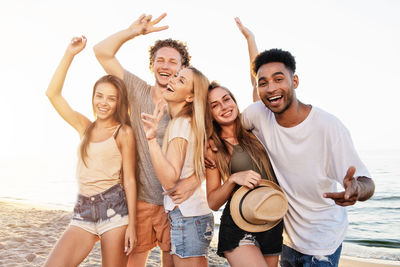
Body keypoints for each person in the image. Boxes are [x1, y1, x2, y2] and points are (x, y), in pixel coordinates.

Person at [240, 45, 376, 266]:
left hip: (323, 240)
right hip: (288, 238)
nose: (271, 88)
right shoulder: (257, 115)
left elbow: (367, 182)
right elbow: (227, 130)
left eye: (278, 79)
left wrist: (356, 190)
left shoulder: (328, 127)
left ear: (294, 82)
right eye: (263, 83)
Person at [94, 13, 199, 267]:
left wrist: (197, 179)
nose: (165, 66)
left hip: (174, 205)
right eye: (159, 60)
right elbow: (101, 52)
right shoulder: (137, 89)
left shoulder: (189, 104)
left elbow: (211, 149)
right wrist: (134, 32)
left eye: (173, 62)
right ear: (151, 65)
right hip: (140, 200)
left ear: (182, 68)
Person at [44, 36, 137, 266]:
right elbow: (53, 94)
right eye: (99, 96)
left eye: (111, 98)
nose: (103, 103)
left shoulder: (123, 132)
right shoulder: (84, 126)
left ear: (119, 102)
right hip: (83, 212)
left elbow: (130, 180)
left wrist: (133, 226)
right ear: (93, 97)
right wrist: (69, 54)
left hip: (114, 212)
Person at [206, 81, 285, 267]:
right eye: (215, 105)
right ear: (209, 114)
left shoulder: (256, 126)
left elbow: (258, 78)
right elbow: (213, 202)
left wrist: (249, 49)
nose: (224, 107)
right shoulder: (213, 147)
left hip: (271, 217)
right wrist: (233, 179)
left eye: (226, 99)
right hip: (238, 224)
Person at [141, 66, 214, 267]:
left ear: (191, 97)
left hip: (188, 216)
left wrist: (151, 139)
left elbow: (170, 178)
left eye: (181, 80)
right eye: (175, 76)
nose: (172, 80)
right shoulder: (187, 121)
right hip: (190, 216)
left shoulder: (182, 122)